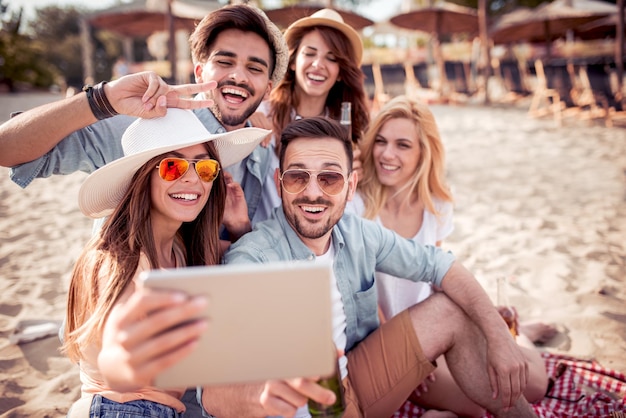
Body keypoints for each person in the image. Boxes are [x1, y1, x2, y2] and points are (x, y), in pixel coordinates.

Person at [0, 3, 288, 227]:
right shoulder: (143, 127)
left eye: (255, 68)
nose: (238, 76)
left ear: (267, 89)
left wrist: (240, 230)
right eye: (225, 61)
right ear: (199, 71)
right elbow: (7, 149)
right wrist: (102, 99)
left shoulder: (257, 148)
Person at [62, 108, 269, 416]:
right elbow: (119, 357)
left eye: (205, 169)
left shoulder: (184, 251)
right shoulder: (121, 259)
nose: (191, 179)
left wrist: (240, 226)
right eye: (172, 167)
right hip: (120, 408)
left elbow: (252, 265)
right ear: (142, 178)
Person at [353, 95, 550, 416]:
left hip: (434, 324)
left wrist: (480, 321)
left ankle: (521, 334)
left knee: (535, 384)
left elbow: (437, 276)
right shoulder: (357, 205)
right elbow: (361, 291)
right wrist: (411, 353)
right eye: (381, 141)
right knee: (479, 400)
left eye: (403, 145)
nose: (387, 154)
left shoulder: (436, 206)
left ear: (423, 153)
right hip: (391, 337)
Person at [248, 8, 370, 218]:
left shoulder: (351, 129)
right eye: (310, 53)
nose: (318, 64)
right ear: (293, 62)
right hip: (264, 235)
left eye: (331, 58)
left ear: (340, 73)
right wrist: (245, 121)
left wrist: (364, 176)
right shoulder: (262, 113)